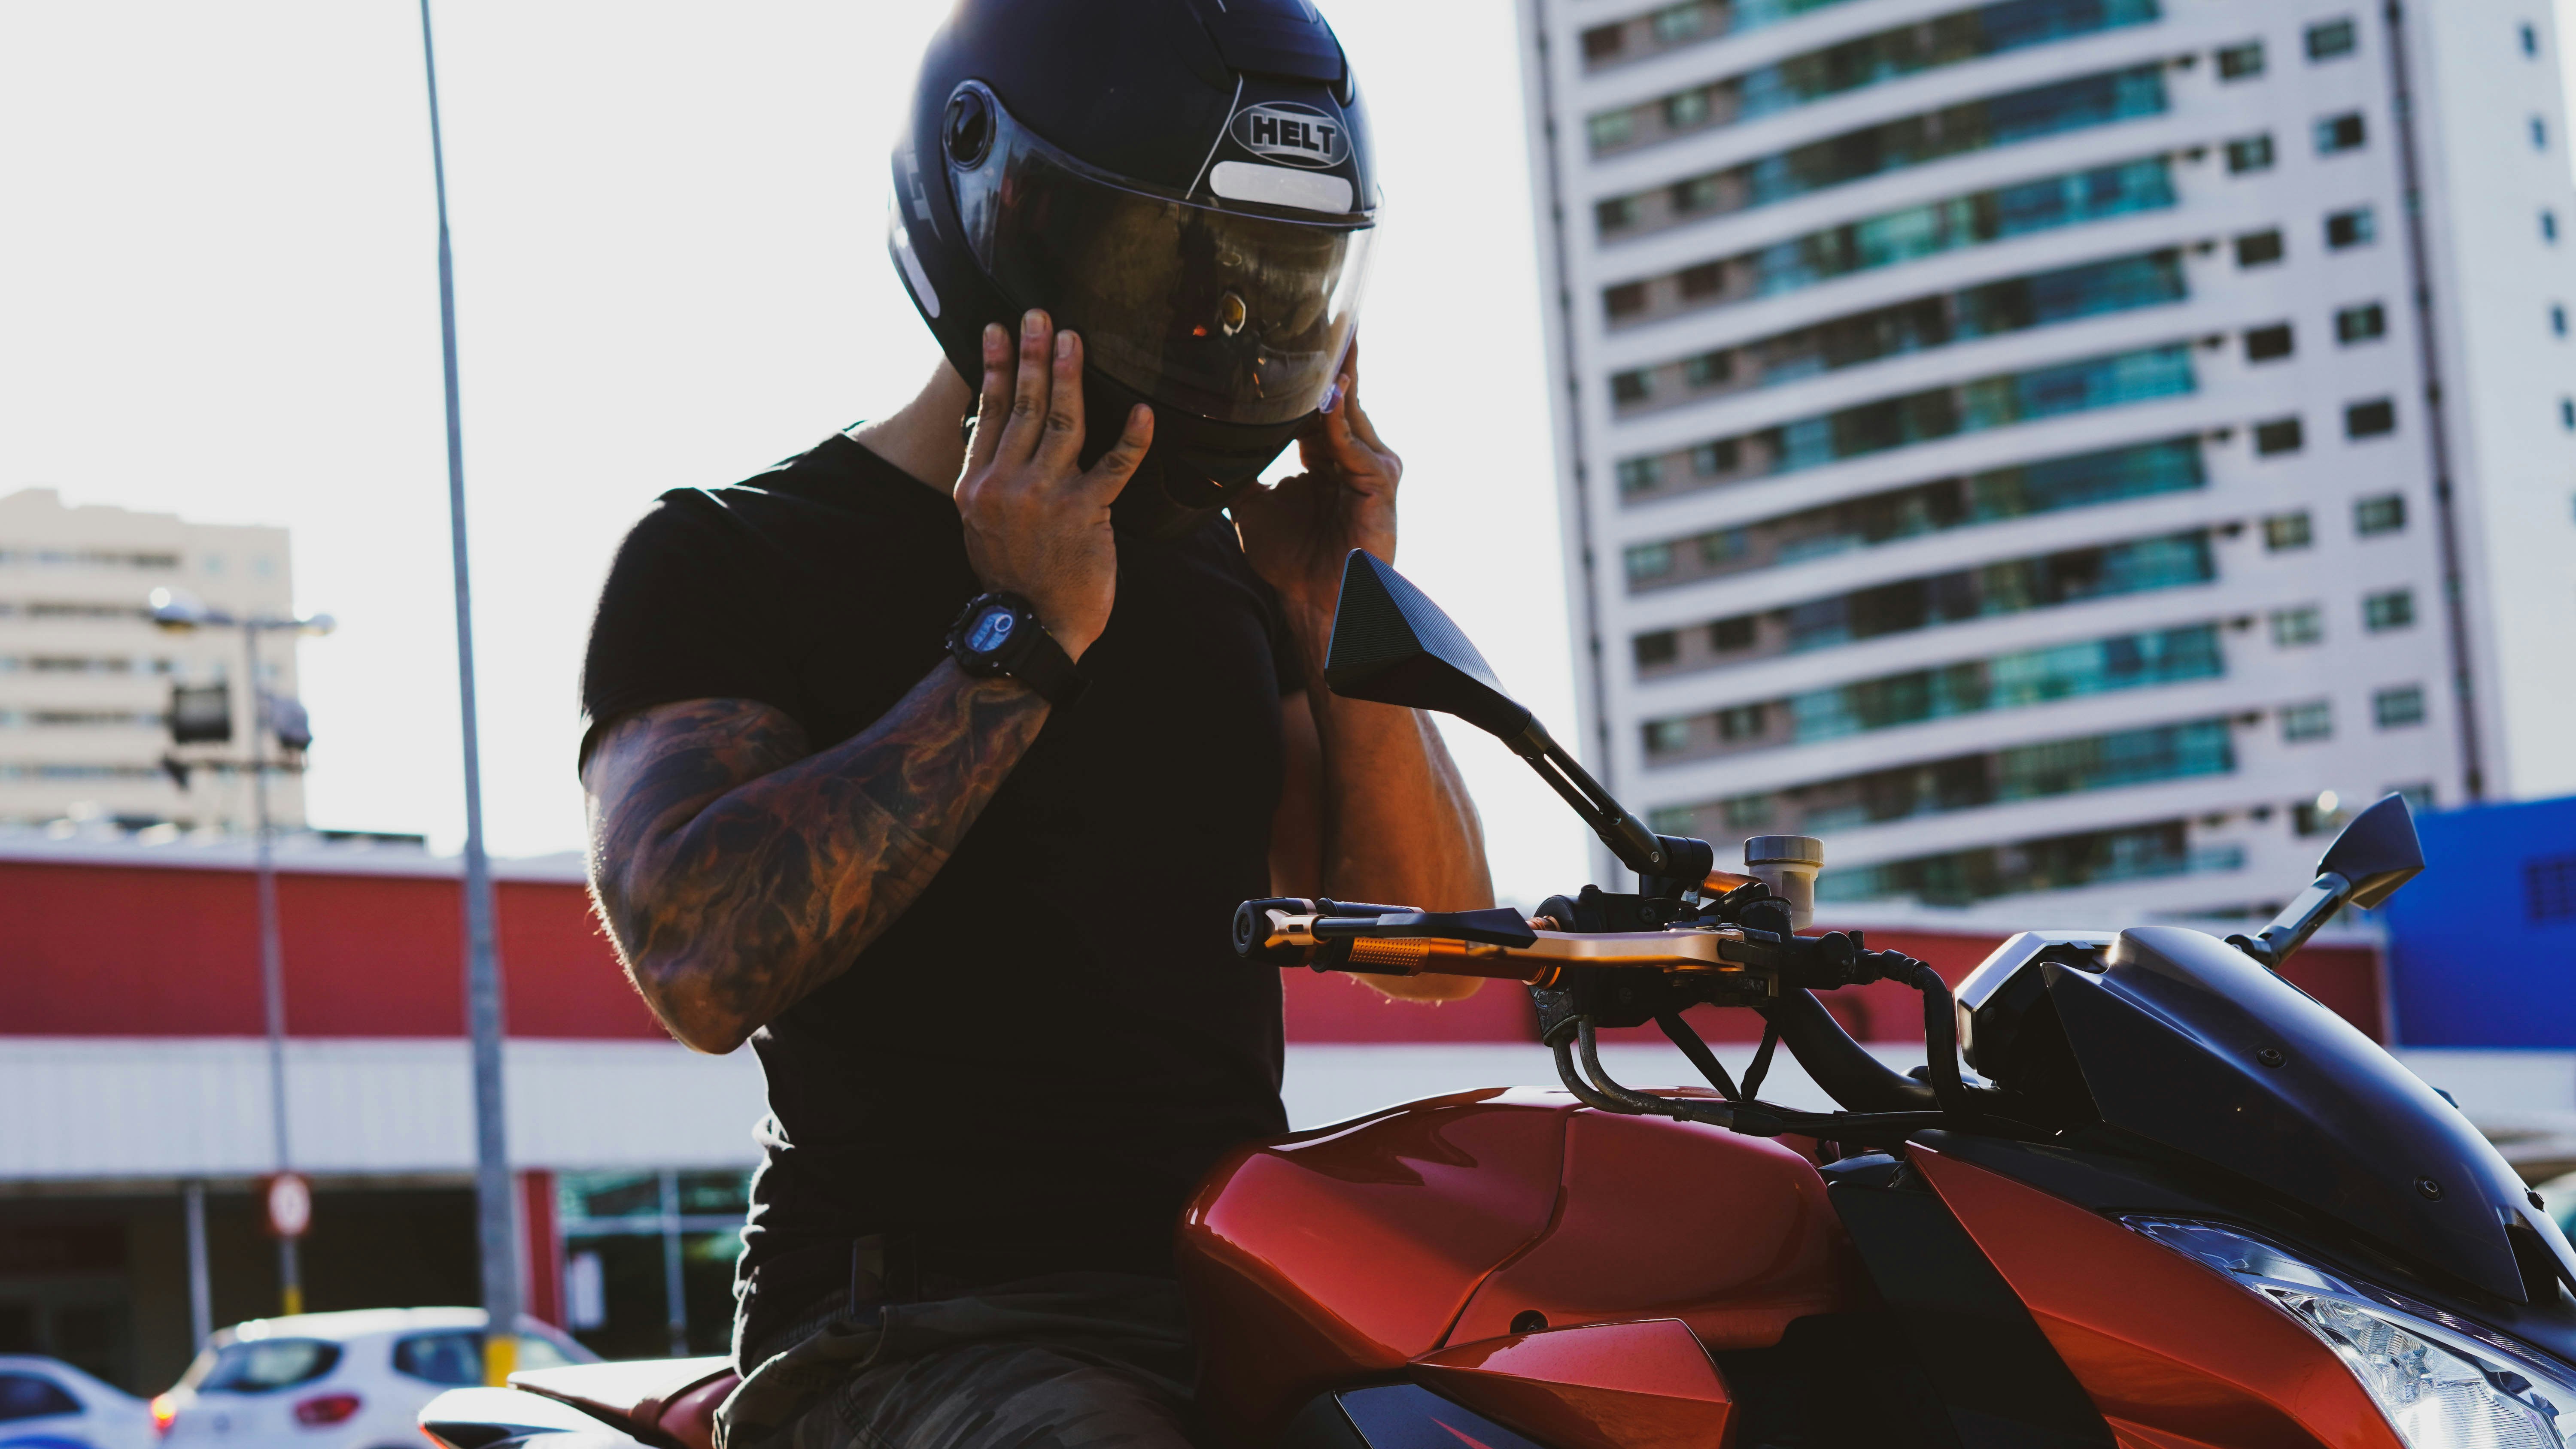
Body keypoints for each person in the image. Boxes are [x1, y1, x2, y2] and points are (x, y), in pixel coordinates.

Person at [574, 1, 1490, 1444]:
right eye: (1179, 264)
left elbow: (1432, 944)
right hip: (903, 1336)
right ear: (1015, 216)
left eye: (1277, 274)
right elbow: (699, 953)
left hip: (1238, 1291)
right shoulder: (730, 555)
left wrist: (1337, 607)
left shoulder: (1228, 573)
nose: (1225, 324)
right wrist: (1022, 640)